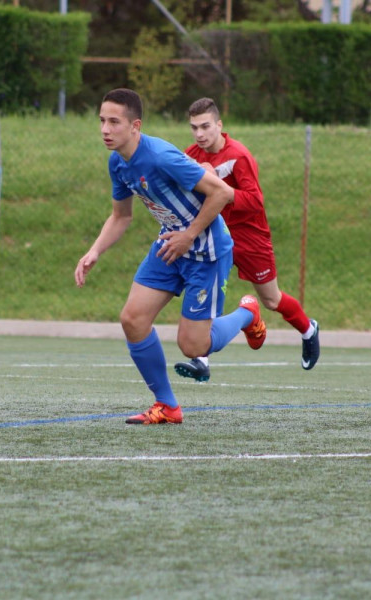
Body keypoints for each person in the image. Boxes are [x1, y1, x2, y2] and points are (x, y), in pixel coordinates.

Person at [75, 88, 268, 425]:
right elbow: (121, 216)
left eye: (114, 122)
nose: (106, 129)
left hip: (206, 250)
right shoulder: (117, 162)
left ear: (135, 126)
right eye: (102, 121)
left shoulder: (162, 157)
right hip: (169, 246)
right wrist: (95, 250)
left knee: (193, 347)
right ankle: (167, 406)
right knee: (132, 320)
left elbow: (222, 193)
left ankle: (247, 314)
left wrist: (189, 235)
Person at [173, 98, 319, 383]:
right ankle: (200, 358)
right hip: (215, 235)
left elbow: (255, 201)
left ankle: (308, 330)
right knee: (207, 287)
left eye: (205, 126)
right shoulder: (190, 154)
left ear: (219, 125)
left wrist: (221, 189)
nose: (200, 134)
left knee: (272, 300)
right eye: (194, 128)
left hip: (250, 237)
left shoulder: (238, 156)